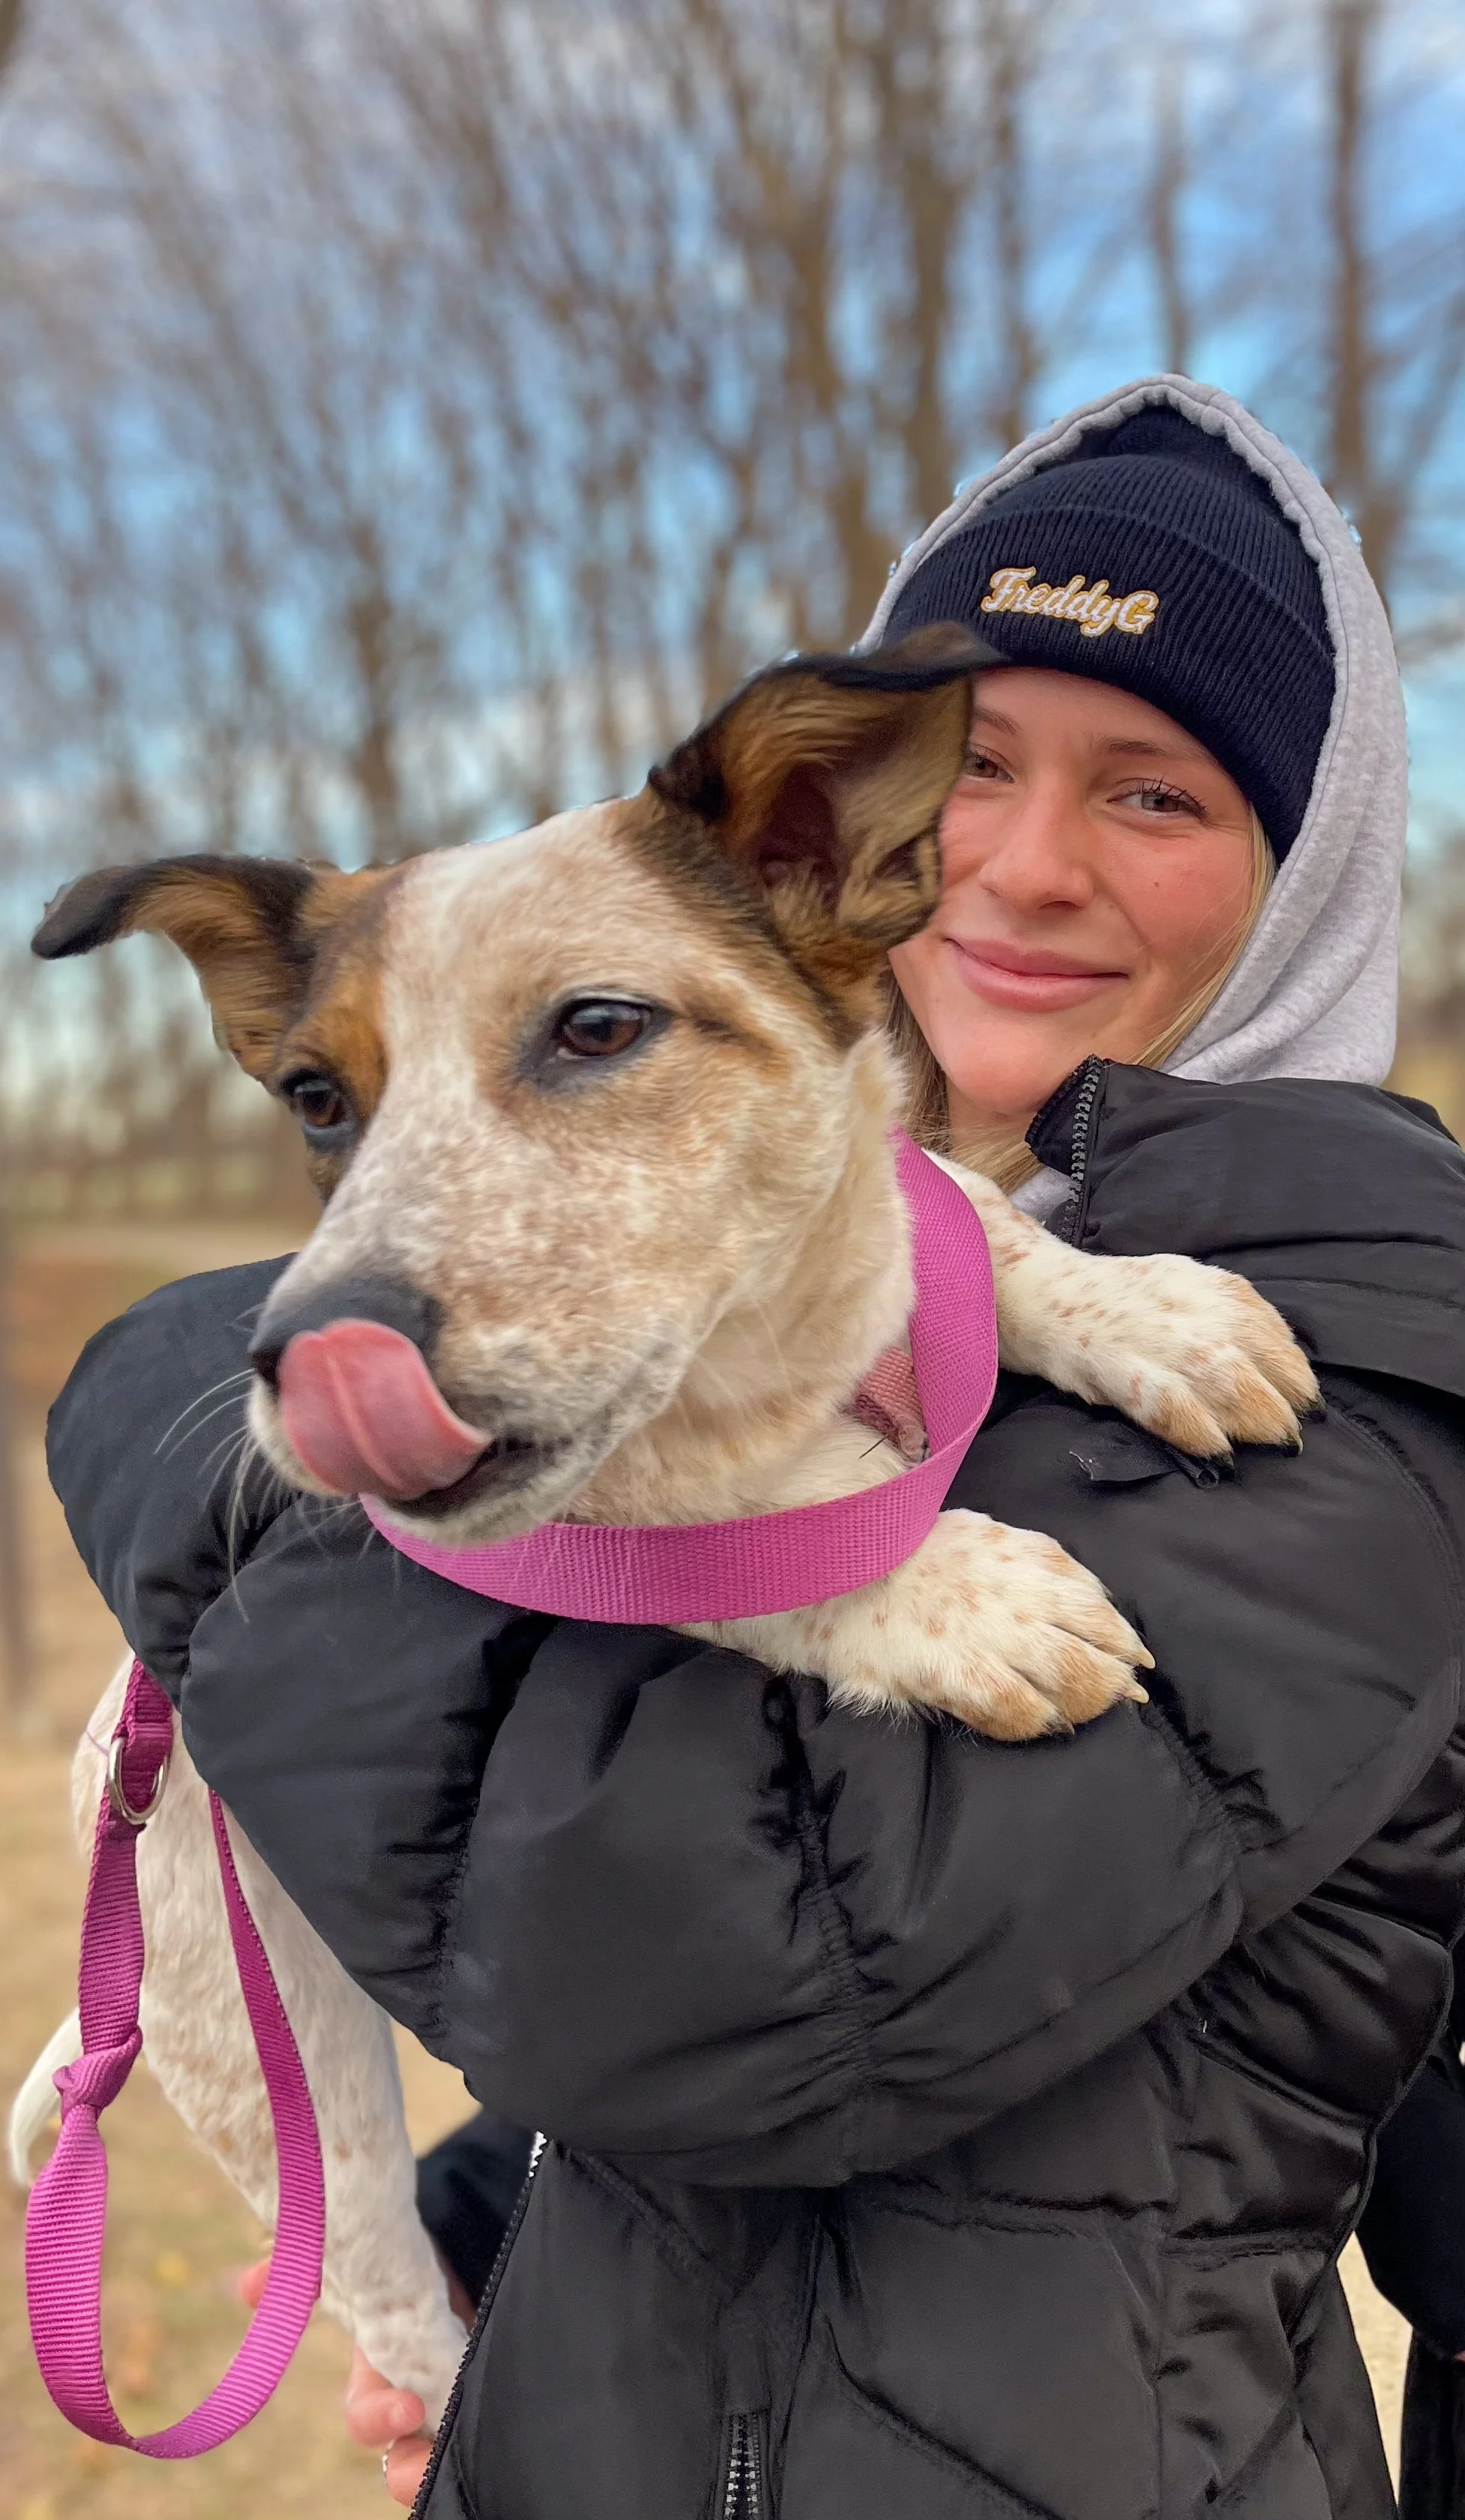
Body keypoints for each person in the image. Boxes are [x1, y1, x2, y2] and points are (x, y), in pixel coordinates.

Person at [44, 375, 1465, 2519]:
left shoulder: (1351, 1327)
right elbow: (588, 1827)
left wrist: (174, 1439)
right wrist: (466, 2224)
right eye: (972, 761)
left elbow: (770, 1970)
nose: (1012, 862)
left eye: (1153, 794)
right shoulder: (794, 1237)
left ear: (1303, 874)